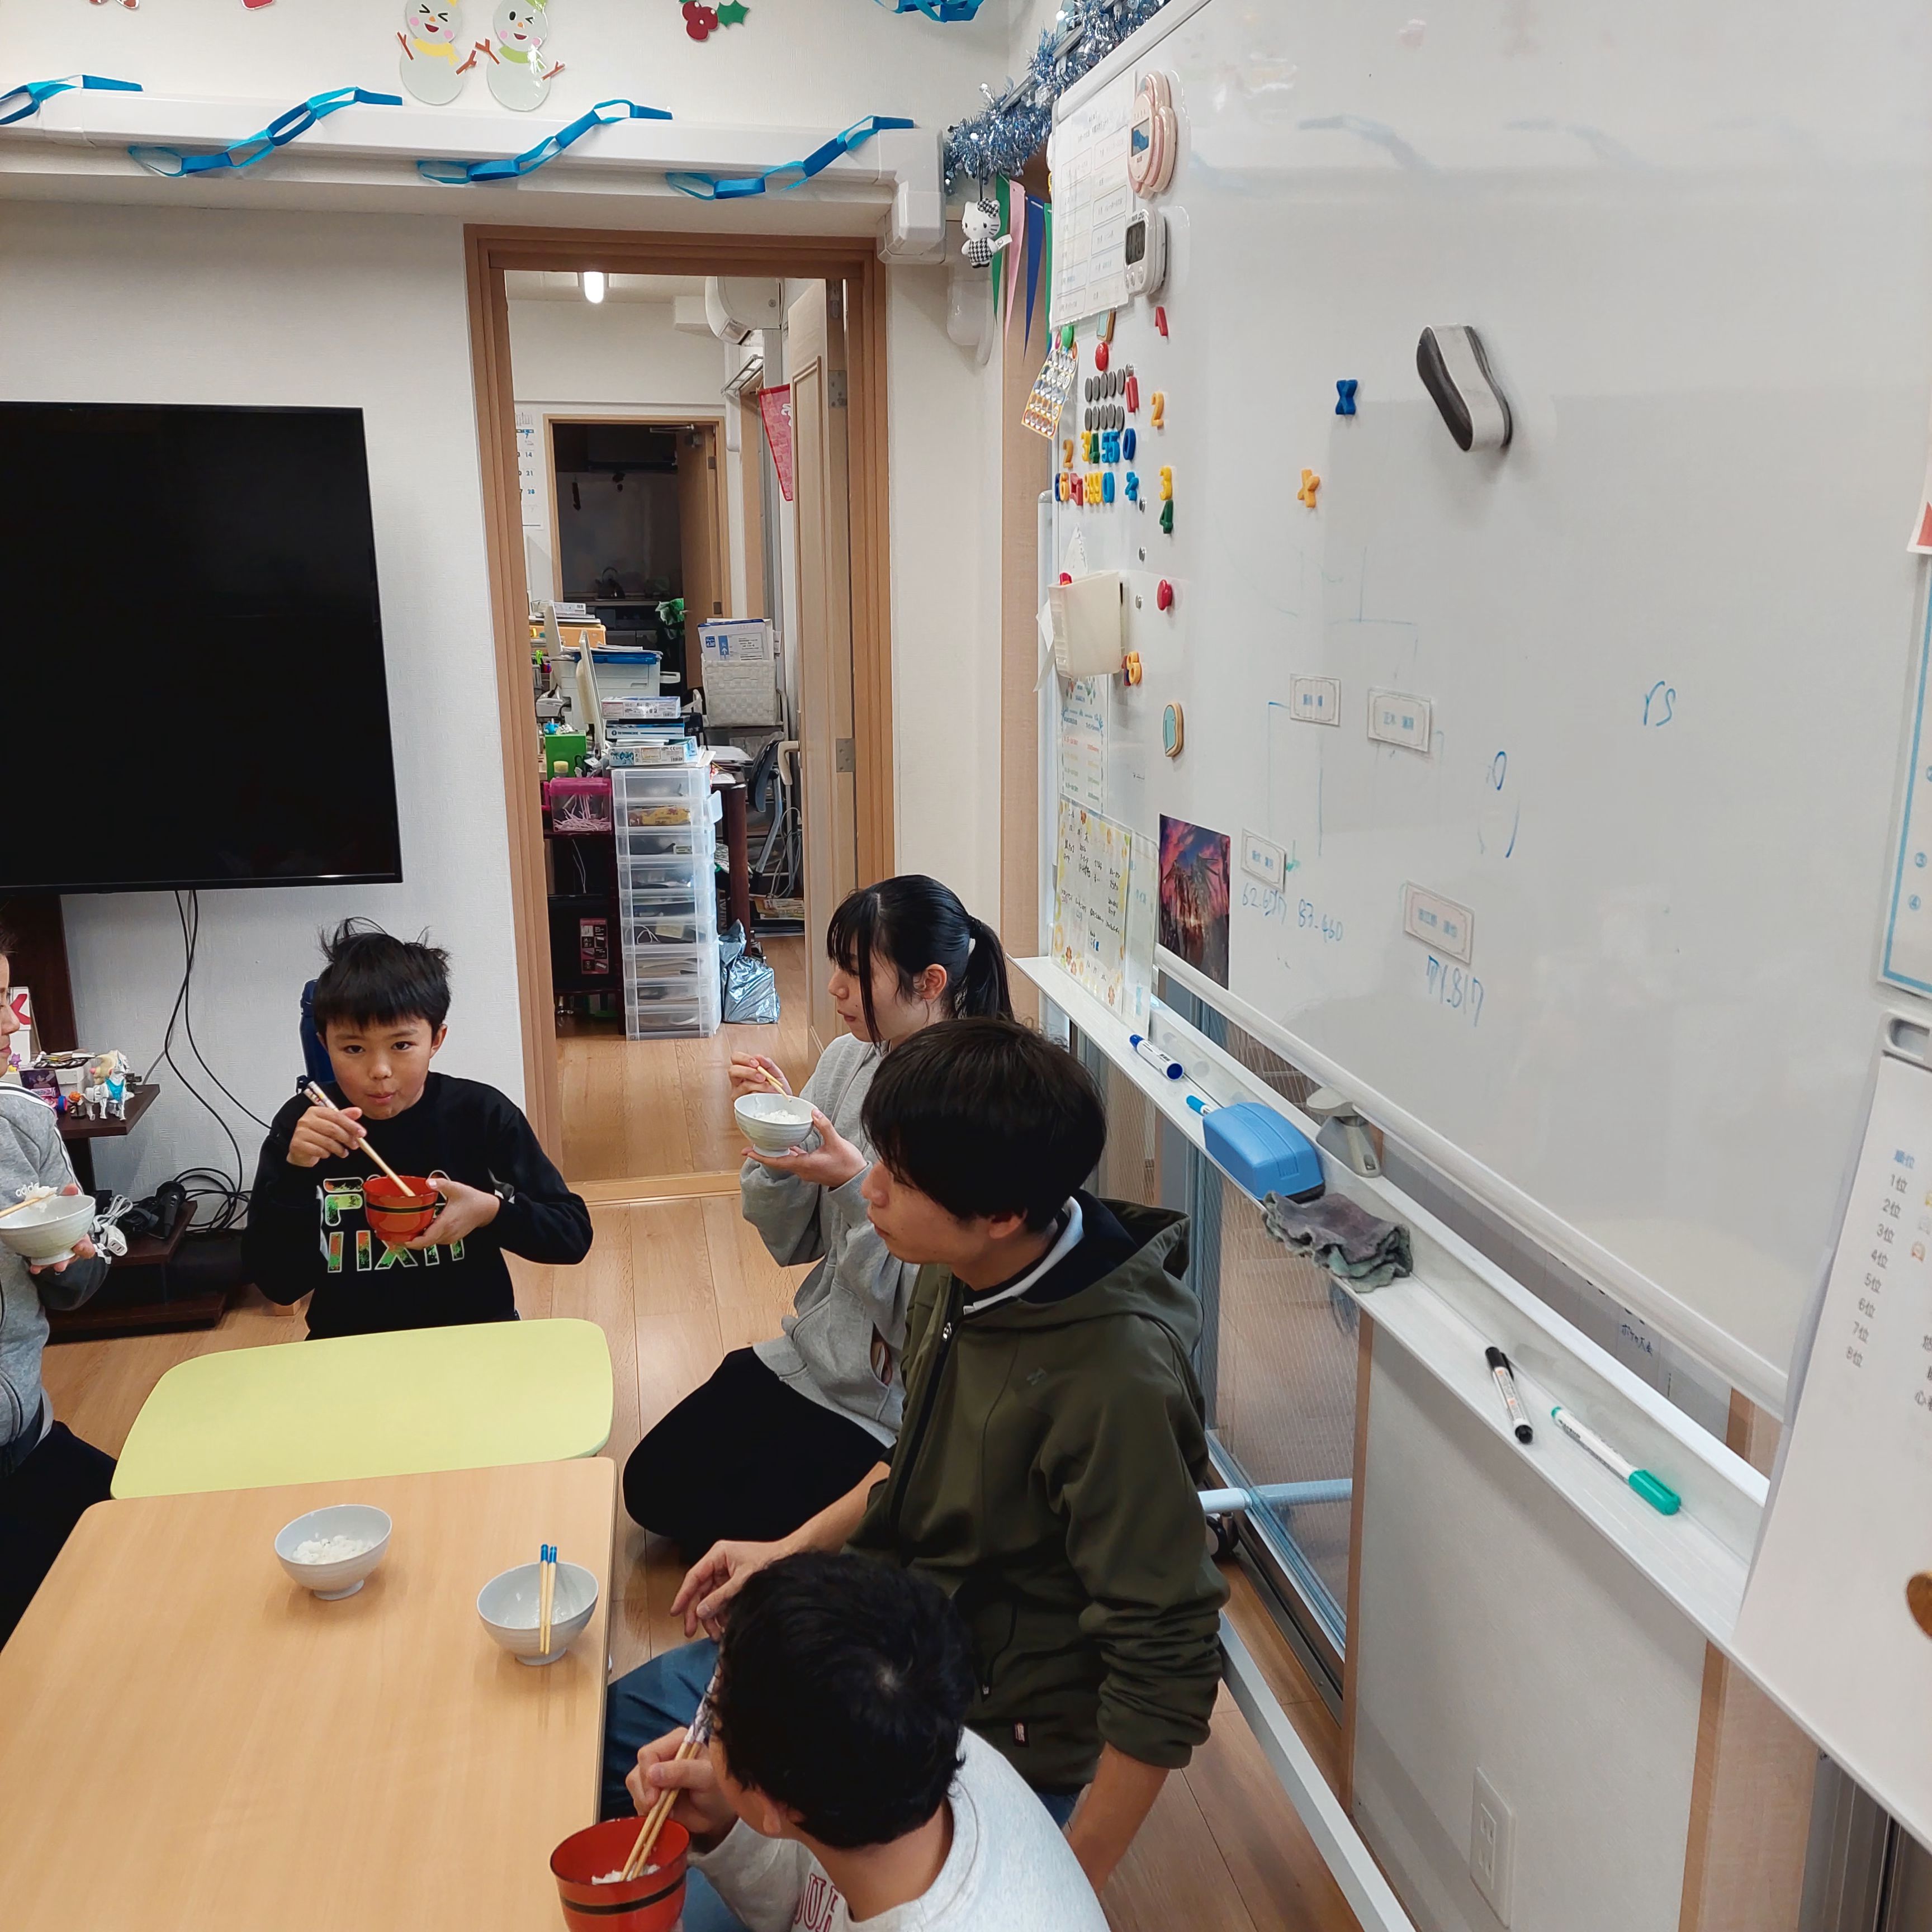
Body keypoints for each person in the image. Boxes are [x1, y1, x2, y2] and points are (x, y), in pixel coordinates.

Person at [605, 1018, 1226, 1911]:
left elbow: (1166, 1653)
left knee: (683, 1879)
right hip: (889, 1638)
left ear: (1001, 1215)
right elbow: (912, 1461)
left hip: (973, 1724)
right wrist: (785, 1552)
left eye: (896, 1177)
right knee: (620, 1732)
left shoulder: (1115, 1382)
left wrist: (1068, 1880)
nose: (871, 1189)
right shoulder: (964, 1264)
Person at [623, 877, 1010, 1555]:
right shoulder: (848, 1059)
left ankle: (885, 1511)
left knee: (696, 1506)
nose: (834, 988)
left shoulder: (970, 1105)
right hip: (815, 1350)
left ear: (930, 982)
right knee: (651, 1484)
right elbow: (791, 1241)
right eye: (837, 966)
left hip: (890, 1399)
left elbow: (919, 1317)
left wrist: (854, 1183)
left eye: (857, 973)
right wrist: (782, 1145)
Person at [627, 1552, 1107, 1932]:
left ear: (774, 1803)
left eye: (713, 1709)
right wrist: (726, 1821)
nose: (705, 1712)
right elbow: (810, 1906)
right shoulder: (917, 1738)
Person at [243, 920, 592, 1336]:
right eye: (353, 1048)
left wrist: (492, 1212)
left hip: (476, 1336)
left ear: (436, 1039)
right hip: (349, 1344)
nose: (379, 1070)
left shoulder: (480, 1113)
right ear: (324, 1043)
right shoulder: (306, 1126)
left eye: (402, 1045)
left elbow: (572, 1236)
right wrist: (295, 1174)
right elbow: (281, 1285)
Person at [0, 933, 115, 1647]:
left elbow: (79, 1284)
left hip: (29, 1436)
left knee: (147, 1529)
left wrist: (69, 1262)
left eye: (4, 996)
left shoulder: (22, 1119)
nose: (10, 1022)